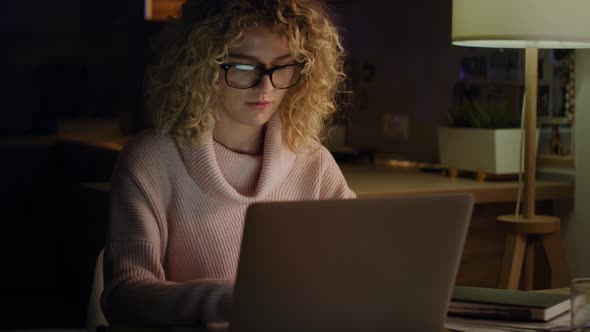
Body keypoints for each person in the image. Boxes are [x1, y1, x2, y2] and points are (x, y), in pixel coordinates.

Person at [101, 0, 356, 327]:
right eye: (244, 67)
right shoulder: (150, 160)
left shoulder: (313, 160)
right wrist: (243, 299)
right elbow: (124, 294)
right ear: (202, 67)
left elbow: (359, 266)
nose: (266, 86)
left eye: (281, 67)